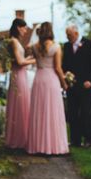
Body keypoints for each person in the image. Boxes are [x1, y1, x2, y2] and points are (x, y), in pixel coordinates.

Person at [26, 22, 69, 155]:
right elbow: (57, 68)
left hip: (39, 79)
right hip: (51, 80)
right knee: (53, 111)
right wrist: (64, 83)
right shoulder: (56, 47)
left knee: (39, 112)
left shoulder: (34, 47)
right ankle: (53, 146)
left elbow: (28, 53)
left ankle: (37, 146)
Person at [62, 24, 91, 147]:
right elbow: (64, 65)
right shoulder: (67, 46)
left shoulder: (89, 44)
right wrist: (66, 78)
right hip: (72, 85)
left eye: (69, 35)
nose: (68, 37)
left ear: (76, 34)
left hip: (86, 85)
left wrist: (90, 80)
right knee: (72, 113)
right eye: (67, 35)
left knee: (86, 113)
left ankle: (88, 139)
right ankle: (75, 139)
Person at [5, 18, 35, 149]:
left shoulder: (16, 42)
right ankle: (18, 140)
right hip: (18, 76)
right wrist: (36, 60)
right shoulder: (13, 41)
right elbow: (20, 62)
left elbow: (22, 59)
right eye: (24, 28)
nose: (25, 30)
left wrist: (29, 57)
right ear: (18, 27)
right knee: (20, 106)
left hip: (21, 75)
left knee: (23, 106)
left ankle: (22, 137)